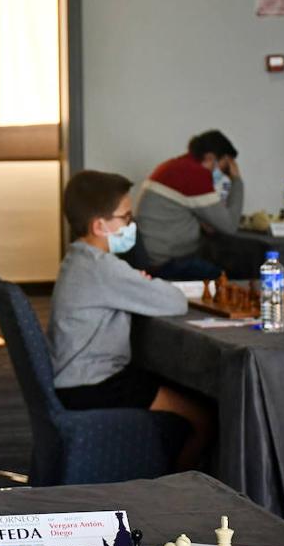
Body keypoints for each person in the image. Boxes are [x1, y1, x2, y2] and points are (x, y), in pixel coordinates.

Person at [49, 170, 214, 470]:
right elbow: (175, 301)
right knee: (203, 416)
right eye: (125, 218)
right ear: (100, 225)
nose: (131, 224)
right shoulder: (103, 268)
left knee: (174, 388)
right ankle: (179, 489)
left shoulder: (79, 259)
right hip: (95, 384)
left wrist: (133, 284)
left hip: (75, 377)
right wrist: (140, 284)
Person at [136, 130, 243, 280]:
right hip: (166, 262)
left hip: (150, 254)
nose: (224, 173)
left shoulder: (174, 166)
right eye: (225, 167)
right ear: (211, 158)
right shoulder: (195, 174)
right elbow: (230, 225)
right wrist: (237, 180)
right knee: (230, 279)